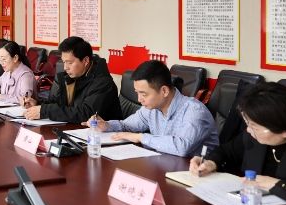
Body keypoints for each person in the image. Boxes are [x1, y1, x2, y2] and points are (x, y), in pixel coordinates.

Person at [88, 60, 218, 157]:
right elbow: (127, 126)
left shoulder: (194, 111)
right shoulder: (151, 109)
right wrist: (106, 125)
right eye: (137, 93)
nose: (139, 99)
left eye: (144, 94)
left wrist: (141, 137)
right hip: (164, 167)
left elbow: (181, 147)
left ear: (164, 91)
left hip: (195, 176)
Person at [24, 36, 120, 123]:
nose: (65, 67)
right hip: (75, 130)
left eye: (70, 63)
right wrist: (38, 104)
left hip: (101, 134)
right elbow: (58, 104)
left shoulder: (103, 83)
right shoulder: (69, 77)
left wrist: (46, 111)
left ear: (85, 61)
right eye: (64, 62)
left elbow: (86, 114)